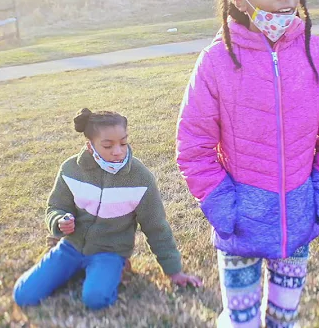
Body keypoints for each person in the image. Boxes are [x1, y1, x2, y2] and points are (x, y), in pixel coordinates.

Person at [176, 0, 319, 328]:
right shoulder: (217, 60)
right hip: (238, 224)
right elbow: (194, 147)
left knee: (283, 321)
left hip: (299, 217)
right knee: (240, 321)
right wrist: (226, 209)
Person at [14, 109, 201, 310]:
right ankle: (78, 269)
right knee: (23, 295)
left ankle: (117, 269)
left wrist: (174, 271)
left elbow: (156, 227)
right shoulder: (70, 170)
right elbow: (55, 207)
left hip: (110, 252)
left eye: (123, 142)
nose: (118, 151)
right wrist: (59, 221)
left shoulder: (141, 179)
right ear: (90, 146)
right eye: (107, 145)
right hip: (71, 247)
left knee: (95, 299)